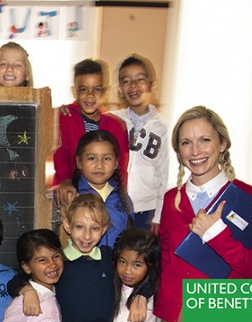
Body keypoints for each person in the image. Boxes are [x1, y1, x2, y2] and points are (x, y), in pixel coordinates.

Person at [155, 107, 252, 322]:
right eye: (186, 143)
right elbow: (164, 262)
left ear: (222, 143)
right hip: (175, 317)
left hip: (219, 311)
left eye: (205, 140)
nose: (196, 151)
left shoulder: (246, 197)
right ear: (178, 151)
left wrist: (218, 234)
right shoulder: (171, 200)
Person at [52, 59, 129, 208]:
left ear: (105, 91)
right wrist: (65, 181)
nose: (90, 95)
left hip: (107, 196)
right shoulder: (65, 117)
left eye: (97, 89)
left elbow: (121, 168)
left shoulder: (116, 125)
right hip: (72, 193)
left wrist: (122, 199)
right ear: (74, 91)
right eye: (83, 89)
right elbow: (61, 153)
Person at [111, 55, 169, 231]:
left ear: (153, 84)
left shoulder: (163, 127)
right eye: (126, 81)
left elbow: (164, 175)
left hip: (147, 209)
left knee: (140, 256)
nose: (133, 86)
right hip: (115, 205)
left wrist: (158, 216)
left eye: (140, 79)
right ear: (120, 88)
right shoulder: (112, 120)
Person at [104, 228, 159, 322]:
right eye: (122, 262)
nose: (128, 271)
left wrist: (144, 293)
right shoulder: (107, 285)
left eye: (137, 265)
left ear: (149, 266)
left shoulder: (154, 295)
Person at [72, 129, 133, 248]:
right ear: (79, 162)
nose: (99, 165)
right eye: (91, 158)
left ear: (116, 163)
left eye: (107, 158)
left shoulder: (123, 199)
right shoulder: (71, 196)